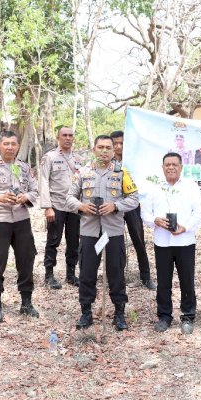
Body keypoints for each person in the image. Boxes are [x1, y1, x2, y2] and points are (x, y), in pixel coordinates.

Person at [64, 134, 140, 331]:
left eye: (108, 148)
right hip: (89, 231)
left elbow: (133, 199)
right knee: (87, 273)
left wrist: (115, 206)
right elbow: (69, 198)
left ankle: (119, 313)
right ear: (94, 150)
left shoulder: (121, 172)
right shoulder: (83, 172)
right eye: (101, 147)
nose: (105, 151)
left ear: (113, 151)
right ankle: (86, 312)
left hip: (112, 232)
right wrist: (81, 206)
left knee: (116, 273)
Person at [0, 131, 40, 324]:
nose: (10, 147)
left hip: (22, 221)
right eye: (6, 144)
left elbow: (35, 191)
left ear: (18, 146)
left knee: (26, 262)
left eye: (13, 144)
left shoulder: (25, 168)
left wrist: (26, 197)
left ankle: (26, 303)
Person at [141, 152, 201, 334]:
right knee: (163, 281)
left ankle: (187, 316)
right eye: (167, 164)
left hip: (185, 241)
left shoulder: (190, 187)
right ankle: (164, 316)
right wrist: (155, 220)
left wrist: (186, 227)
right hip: (162, 242)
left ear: (181, 167)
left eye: (174, 164)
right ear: (162, 168)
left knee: (187, 280)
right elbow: (145, 213)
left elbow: (198, 212)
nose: (171, 167)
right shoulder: (154, 188)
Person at [39, 126, 83, 289]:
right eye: (64, 135)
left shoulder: (78, 159)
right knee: (53, 241)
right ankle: (49, 275)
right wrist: (47, 207)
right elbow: (43, 181)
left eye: (71, 135)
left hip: (74, 207)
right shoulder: (49, 157)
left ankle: (71, 274)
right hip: (56, 205)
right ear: (58, 137)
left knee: (74, 241)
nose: (68, 138)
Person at [111, 130, 154, 289]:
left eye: (122, 143)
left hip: (131, 204)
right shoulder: (106, 162)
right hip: (113, 206)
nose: (118, 146)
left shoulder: (133, 161)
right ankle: (116, 276)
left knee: (138, 238)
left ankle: (146, 276)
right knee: (114, 240)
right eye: (115, 143)